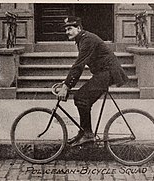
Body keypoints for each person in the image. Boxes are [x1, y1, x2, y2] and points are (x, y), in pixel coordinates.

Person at [57, 16, 128, 146]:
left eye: (70, 28)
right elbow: (79, 66)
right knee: (82, 98)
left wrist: (67, 86)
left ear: (78, 28)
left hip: (108, 72)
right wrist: (66, 83)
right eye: (66, 29)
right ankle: (84, 132)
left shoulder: (87, 40)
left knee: (81, 97)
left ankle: (88, 134)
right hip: (103, 73)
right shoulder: (82, 39)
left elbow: (78, 65)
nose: (67, 32)